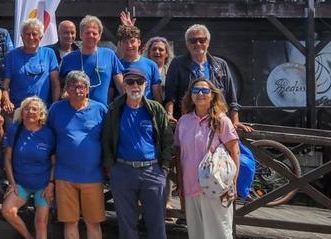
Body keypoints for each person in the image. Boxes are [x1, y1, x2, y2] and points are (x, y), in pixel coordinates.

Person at [102, 68, 173, 239]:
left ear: (146, 85)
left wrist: (164, 167)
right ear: (124, 85)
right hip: (122, 171)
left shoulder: (155, 109)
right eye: (130, 82)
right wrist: (112, 168)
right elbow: (106, 140)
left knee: (156, 224)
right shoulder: (114, 109)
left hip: (152, 171)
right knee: (126, 225)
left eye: (139, 82)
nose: (135, 86)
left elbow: (167, 140)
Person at [175, 78, 240, 239]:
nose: (200, 94)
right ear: (190, 96)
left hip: (216, 186)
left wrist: (233, 183)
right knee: (196, 233)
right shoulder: (183, 121)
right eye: (196, 91)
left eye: (205, 90)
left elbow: (235, 152)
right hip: (190, 186)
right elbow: (179, 154)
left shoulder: (222, 120)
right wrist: (180, 183)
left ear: (212, 95)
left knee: (220, 233)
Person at [47, 70, 108, 239]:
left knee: (93, 222)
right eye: (73, 86)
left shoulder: (100, 109)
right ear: (66, 89)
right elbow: (48, 138)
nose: (77, 90)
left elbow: (109, 139)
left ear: (88, 89)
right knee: (70, 222)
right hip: (64, 176)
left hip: (93, 176)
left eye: (81, 87)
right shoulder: (56, 109)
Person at [164, 24, 248, 131]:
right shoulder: (177, 64)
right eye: (193, 41)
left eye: (202, 40)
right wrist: (170, 115)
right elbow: (170, 95)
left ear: (207, 43)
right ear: (187, 44)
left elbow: (231, 97)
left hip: (217, 121)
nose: (198, 44)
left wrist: (235, 121)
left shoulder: (221, 65)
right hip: (188, 122)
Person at [1, 97, 55, 239]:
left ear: (41, 114)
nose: (30, 112)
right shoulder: (15, 129)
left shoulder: (48, 133)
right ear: (22, 111)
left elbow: (55, 162)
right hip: (21, 184)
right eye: (27, 108)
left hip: (42, 185)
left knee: (41, 223)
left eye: (34, 109)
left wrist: (51, 184)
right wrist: (12, 183)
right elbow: (7, 158)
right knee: (7, 211)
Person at [59, 15, 124, 106]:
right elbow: (60, 88)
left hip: (101, 114)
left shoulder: (109, 55)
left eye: (94, 33)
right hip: (74, 112)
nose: (91, 36)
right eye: (87, 33)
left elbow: (121, 86)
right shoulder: (68, 59)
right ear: (81, 35)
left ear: (99, 36)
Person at [2, 19, 60, 111]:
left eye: (34, 34)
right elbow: (5, 85)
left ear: (41, 37)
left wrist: (55, 105)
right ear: (21, 36)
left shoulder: (49, 53)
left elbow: (55, 83)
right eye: (27, 34)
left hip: (43, 110)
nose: (31, 37)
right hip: (18, 110)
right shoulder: (11, 56)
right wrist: (7, 101)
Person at [116, 24, 163, 101]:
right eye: (125, 42)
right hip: (122, 110)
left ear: (139, 42)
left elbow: (157, 94)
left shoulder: (151, 65)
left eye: (132, 41)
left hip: (146, 110)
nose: (129, 45)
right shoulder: (116, 65)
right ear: (120, 44)